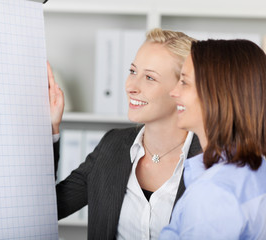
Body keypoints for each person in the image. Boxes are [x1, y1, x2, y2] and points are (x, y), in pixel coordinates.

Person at [48, 28, 202, 240]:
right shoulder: (112, 145)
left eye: (149, 77)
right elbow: (50, 207)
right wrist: (51, 129)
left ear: (183, 89)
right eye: (132, 71)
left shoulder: (211, 160)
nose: (131, 86)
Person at [160, 39, 266, 239]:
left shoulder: (214, 193)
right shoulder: (257, 170)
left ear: (217, 93)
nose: (173, 92)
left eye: (184, 82)